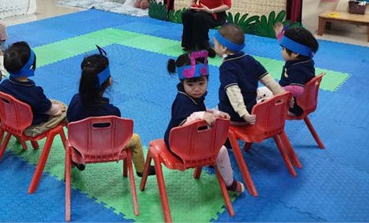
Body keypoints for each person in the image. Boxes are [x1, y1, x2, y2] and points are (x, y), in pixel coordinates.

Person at [164, 51, 244, 194]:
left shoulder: (194, 96)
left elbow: (200, 110)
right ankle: (229, 183)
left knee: (217, 140)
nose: (197, 89)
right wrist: (201, 115)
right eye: (190, 84)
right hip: (178, 146)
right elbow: (183, 125)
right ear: (182, 83)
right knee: (222, 150)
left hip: (192, 140)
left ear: (207, 80)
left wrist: (215, 113)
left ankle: (212, 161)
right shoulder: (181, 101)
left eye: (201, 83)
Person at [66, 47, 155, 177]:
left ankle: (77, 158)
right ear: (109, 81)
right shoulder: (112, 112)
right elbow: (119, 133)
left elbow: (69, 121)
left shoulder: (75, 101)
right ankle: (142, 170)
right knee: (136, 139)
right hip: (109, 147)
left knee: (72, 131)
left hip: (80, 146)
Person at [213, 23, 284, 125]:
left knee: (210, 112)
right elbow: (268, 80)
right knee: (263, 91)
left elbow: (233, 92)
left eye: (215, 44)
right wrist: (282, 95)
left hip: (234, 116)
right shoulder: (250, 59)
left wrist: (243, 113)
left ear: (224, 47)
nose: (214, 47)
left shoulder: (226, 67)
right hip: (252, 111)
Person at [0, 41, 66, 136]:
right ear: (31, 67)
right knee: (65, 109)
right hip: (31, 126)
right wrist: (59, 109)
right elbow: (48, 109)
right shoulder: (35, 92)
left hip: (10, 121)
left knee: (47, 102)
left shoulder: (2, 87)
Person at [259, 26, 319, 116]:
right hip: (300, 101)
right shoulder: (305, 60)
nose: (281, 52)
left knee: (257, 104)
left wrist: (279, 90)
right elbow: (292, 46)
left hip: (290, 105)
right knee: (259, 91)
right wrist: (280, 36)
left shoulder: (297, 70)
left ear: (295, 53)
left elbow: (298, 90)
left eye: (283, 49)